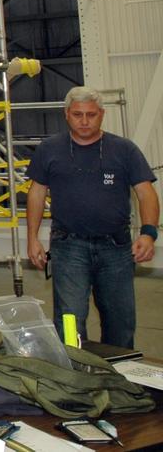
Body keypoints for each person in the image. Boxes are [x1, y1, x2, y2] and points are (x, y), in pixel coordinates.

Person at [26, 86, 159, 348]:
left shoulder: (124, 150)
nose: (84, 121)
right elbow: (36, 193)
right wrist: (32, 238)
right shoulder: (49, 149)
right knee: (69, 319)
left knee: (120, 321)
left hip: (117, 249)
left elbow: (146, 193)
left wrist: (148, 233)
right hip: (69, 248)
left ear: (102, 114)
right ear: (66, 115)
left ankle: (120, 378)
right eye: (78, 115)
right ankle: (75, 377)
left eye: (91, 115)